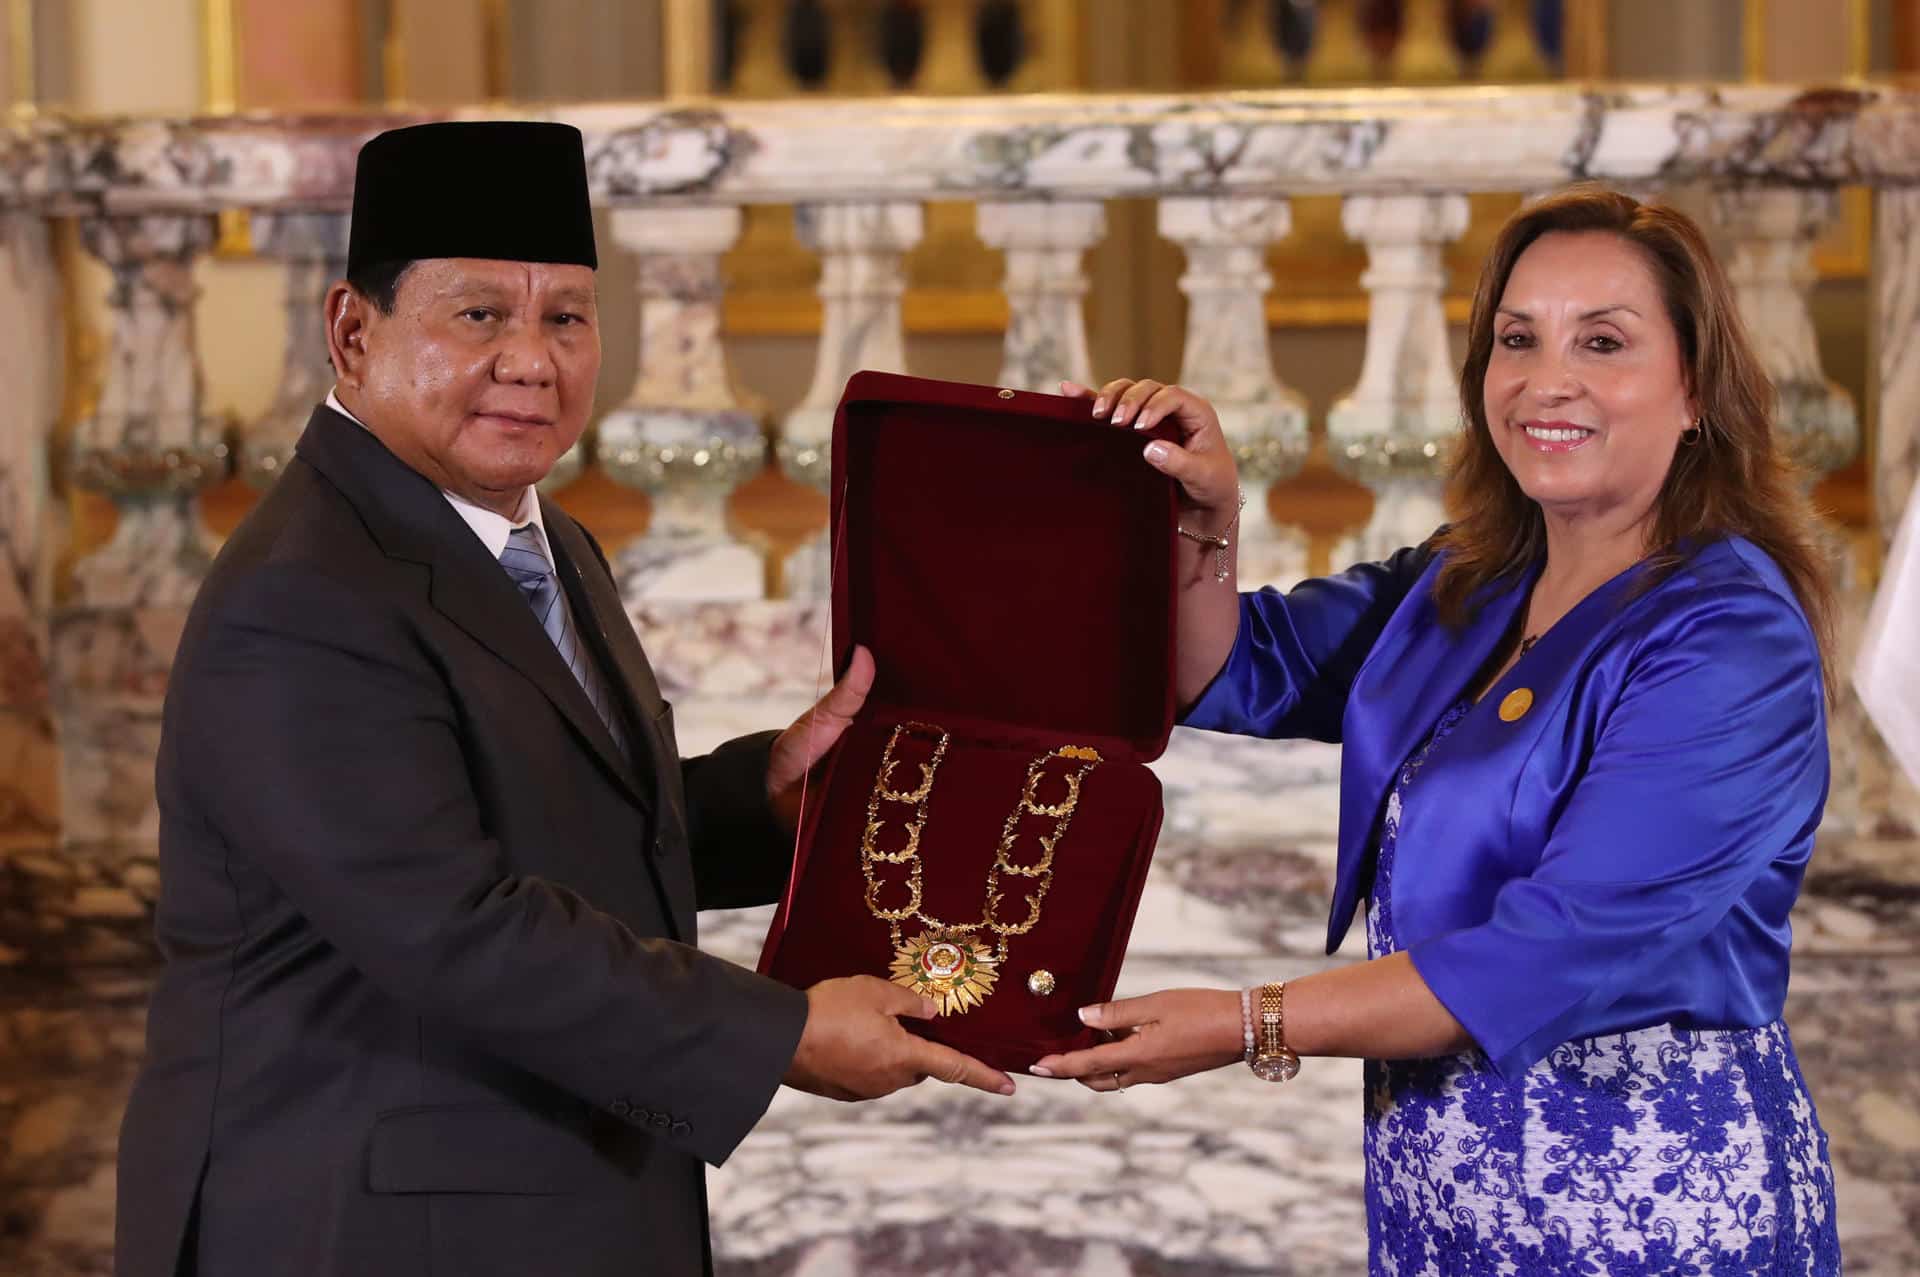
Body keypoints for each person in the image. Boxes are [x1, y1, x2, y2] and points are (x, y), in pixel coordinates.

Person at [114, 121, 1011, 1277]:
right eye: (480, 314)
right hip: (363, 1220)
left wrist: (771, 798)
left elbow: (545, 829)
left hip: (530, 1194)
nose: (533, 361)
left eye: (567, 317)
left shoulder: (544, 539)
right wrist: (782, 1033)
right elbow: (456, 926)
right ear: (351, 330)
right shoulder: (304, 594)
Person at [1036, 187, 1842, 1274]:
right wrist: (1204, 525)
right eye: (1518, 339)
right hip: (1444, 1181)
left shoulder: (1732, 638)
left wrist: (1246, 1020)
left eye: (1602, 341)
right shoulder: (1471, 578)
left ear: (1696, 386)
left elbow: (1548, 948)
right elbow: (1235, 668)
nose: (1547, 379)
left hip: (1657, 1202)